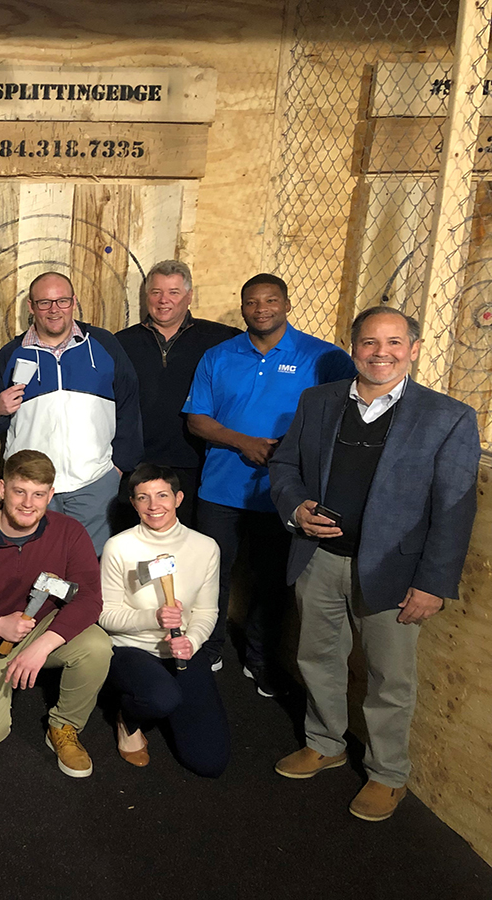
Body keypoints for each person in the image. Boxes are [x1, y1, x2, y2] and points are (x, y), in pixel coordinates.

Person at [269, 306, 480, 822]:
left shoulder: (448, 417)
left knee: (391, 678)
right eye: (368, 342)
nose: (380, 353)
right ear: (353, 346)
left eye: (393, 343)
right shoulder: (317, 401)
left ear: (412, 348)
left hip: (395, 573)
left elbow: (455, 510)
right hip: (319, 560)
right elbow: (285, 465)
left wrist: (433, 583)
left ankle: (388, 774)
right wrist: (296, 508)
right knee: (317, 659)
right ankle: (325, 742)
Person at [184, 273, 356, 695]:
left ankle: (260, 660)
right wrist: (243, 442)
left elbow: (344, 413)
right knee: (212, 575)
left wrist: (290, 452)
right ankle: (209, 648)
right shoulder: (218, 356)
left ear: (286, 304)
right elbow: (197, 418)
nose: (262, 309)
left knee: (272, 581)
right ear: (242, 307)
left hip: (284, 494)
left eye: (271, 300)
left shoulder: (324, 357)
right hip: (220, 490)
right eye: (252, 302)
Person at [0, 450, 111, 777]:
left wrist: (42, 647)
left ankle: (64, 726)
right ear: (1, 489)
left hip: (38, 629)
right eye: (19, 491)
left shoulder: (69, 533)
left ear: (50, 495)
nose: (29, 503)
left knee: (97, 646)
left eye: (39, 494)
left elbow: (89, 598)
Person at [0, 271, 142, 555]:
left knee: (90, 565)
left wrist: (118, 468)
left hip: (95, 482)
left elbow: (129, 401)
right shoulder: (12, 353)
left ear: (74, 302)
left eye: (62, 301)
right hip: (32, 485)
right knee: (34, 564)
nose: (54, 310)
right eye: (44, 303)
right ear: (31, 306)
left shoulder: (103, 345)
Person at [98, 463, 229, 777]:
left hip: (181, 650)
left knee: (209, 762)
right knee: (162, 698)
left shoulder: (206, 547)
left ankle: (166, 695)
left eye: (162, 495)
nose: (154, 505)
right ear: (133, 503)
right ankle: (127, 719)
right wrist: (152, 617)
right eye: (143, 498)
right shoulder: (119, 547)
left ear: (179, 498)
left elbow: (207, 611)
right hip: (130, 649)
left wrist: (192, 641)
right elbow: (104, 615)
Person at [115, 260, 240, 527]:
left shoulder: (221, 340)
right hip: (135, 466)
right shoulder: (121, 343)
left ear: (189, 296)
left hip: (195, 466)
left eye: (173, 292)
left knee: (186, 549)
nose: (163, 301)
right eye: (156, 292)